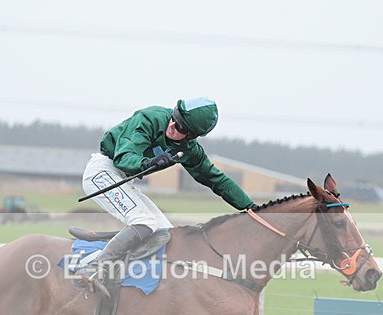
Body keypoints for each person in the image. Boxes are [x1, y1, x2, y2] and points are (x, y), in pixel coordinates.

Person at [79, 97, 257, 283]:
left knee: (169, 235)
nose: (172, 125)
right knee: (144, 221)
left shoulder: (189, 150)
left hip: (124, 181)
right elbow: (123, 157)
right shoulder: (150, 118)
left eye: (181, 127)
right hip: (102, 173)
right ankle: (93, 269)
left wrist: (252, 208)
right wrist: (147, 163)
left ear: (191, 136)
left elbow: (216, 179)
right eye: (174, 117)